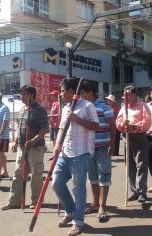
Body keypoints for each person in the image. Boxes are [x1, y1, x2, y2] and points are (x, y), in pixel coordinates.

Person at [52, 78, 99, 235]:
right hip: (64, 153)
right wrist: (57, 145)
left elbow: (95, 126)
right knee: (56, 184)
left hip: (81, 154)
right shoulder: (65, 108)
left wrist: (77, 119)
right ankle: (70, 211)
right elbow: (61, 129)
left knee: (79, 190)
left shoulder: (88, 106)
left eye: (63, 91)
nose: (61, 94)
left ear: (72, 91)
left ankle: (78, 221)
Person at [1, 85, 49, 210]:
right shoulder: (22, 110)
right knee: (18, 173)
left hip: (36, 148)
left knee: (36, 174)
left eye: (24, 94)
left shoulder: (40, 110)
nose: (21, 97)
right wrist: (16, 142)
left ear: (31, 95)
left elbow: (45, 129)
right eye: (21, 94)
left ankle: (36, 201)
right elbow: (19, 128)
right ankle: (14, 202)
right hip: (22, 148)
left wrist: (33, 140)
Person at [79, 81, 115, 223]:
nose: (82, 96)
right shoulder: (83, 107)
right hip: (88, 149)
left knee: (104, 178)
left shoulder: (104, 107)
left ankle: (102, 207)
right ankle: (94, 204)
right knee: (92, 178)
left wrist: (112, 144)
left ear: (91, 93)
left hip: (102, 148)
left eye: (84, 93)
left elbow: (112, 126)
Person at [116, 85, 152, 203]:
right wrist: (122, 124)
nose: (125, 97)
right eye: (124, 95)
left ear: (134, 94)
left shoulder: (143, 106)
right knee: (130, 165)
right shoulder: (124, 107)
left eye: (128, 95)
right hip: (127, 138)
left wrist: (134, 126)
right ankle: (134, 191)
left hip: (139, 137)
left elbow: (147, 123)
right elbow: (118, 122)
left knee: (141, 165)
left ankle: (142, 192)